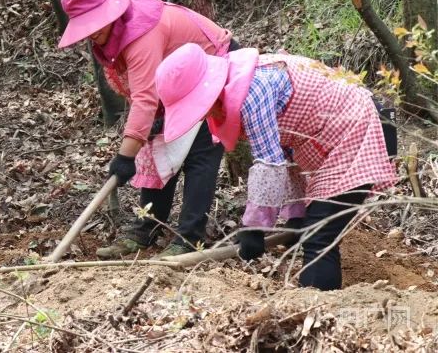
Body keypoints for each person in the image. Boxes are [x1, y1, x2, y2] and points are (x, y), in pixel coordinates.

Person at [154, 43, 397, 290]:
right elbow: (285, 154)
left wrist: (255, 228)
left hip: (359, 128)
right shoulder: (241, 82)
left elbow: (269, 163)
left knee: (319, 237)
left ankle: (320, 313)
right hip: (329, 141)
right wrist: (296, 214)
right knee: (313, 230)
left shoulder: (252, 91)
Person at [57, 0, 239, 258]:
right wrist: (141, 136)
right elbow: (141, 92)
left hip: (212, 69)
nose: (91, 33)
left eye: (94, 24)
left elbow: (145, 96)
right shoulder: (113, 36)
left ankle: (189, 238)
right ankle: (147, 228)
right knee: (156, 148)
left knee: (200, 154)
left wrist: (125, 156)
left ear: (111, 13)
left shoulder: (141, 32)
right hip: (176, 85)